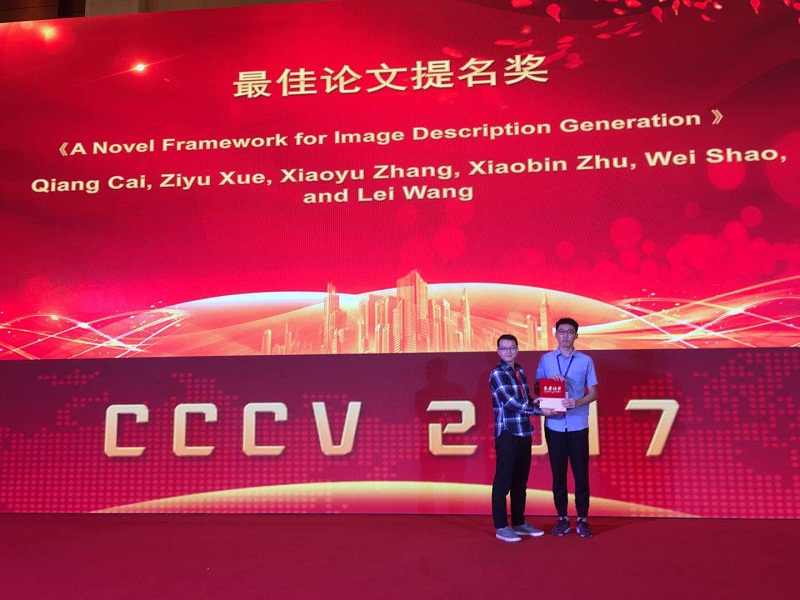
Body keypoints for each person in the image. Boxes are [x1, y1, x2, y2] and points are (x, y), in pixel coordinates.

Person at [535, 317, 598, 538]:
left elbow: (593, 393)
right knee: (558, 473)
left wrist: (577, 402)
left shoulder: (586, 361)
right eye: (561, 332)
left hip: (578, 424)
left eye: (570, 332)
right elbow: (537, 387)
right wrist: (549, 384)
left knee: (581, 473)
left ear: (576, 335)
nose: (565, 336)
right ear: (556, 334)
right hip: (554, 424)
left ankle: (582, 519)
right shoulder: (546, 359)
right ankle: (562, 518)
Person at [490, 334, 555, 542]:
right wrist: (540, 411)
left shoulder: (520, 371)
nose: (508, 351)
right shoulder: (497, 373)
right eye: (504, 348)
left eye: (512, 347)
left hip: (524, 431)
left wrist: (541, 402)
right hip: (508, 432)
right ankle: (501, 526)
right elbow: (511, 403)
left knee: (520, 482)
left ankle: (518, 523)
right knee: (503, 482)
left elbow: (524, 400)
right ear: (498, 351)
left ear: (517, 349)